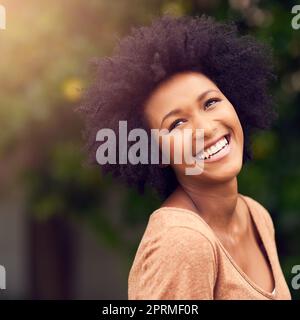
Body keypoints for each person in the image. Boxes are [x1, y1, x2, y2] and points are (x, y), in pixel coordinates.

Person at [78, 14, 291, 299]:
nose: (205, 128)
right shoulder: (181, 242)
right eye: (176, 124)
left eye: (211, 102)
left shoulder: (256, 216)